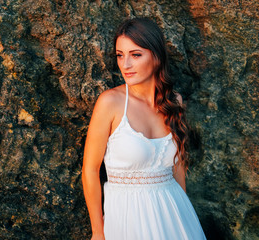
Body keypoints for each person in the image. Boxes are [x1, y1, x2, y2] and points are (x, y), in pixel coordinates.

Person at [82, 18, 206, 240]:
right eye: (120, 55)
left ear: (156, 56)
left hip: (175, 215)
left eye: (135, 55)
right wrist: (98, 232)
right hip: (128, 219)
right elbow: (90, 170)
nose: (125, 64)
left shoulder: (174, 101)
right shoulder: (110, 102)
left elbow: (178, 168)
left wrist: (183, 217)